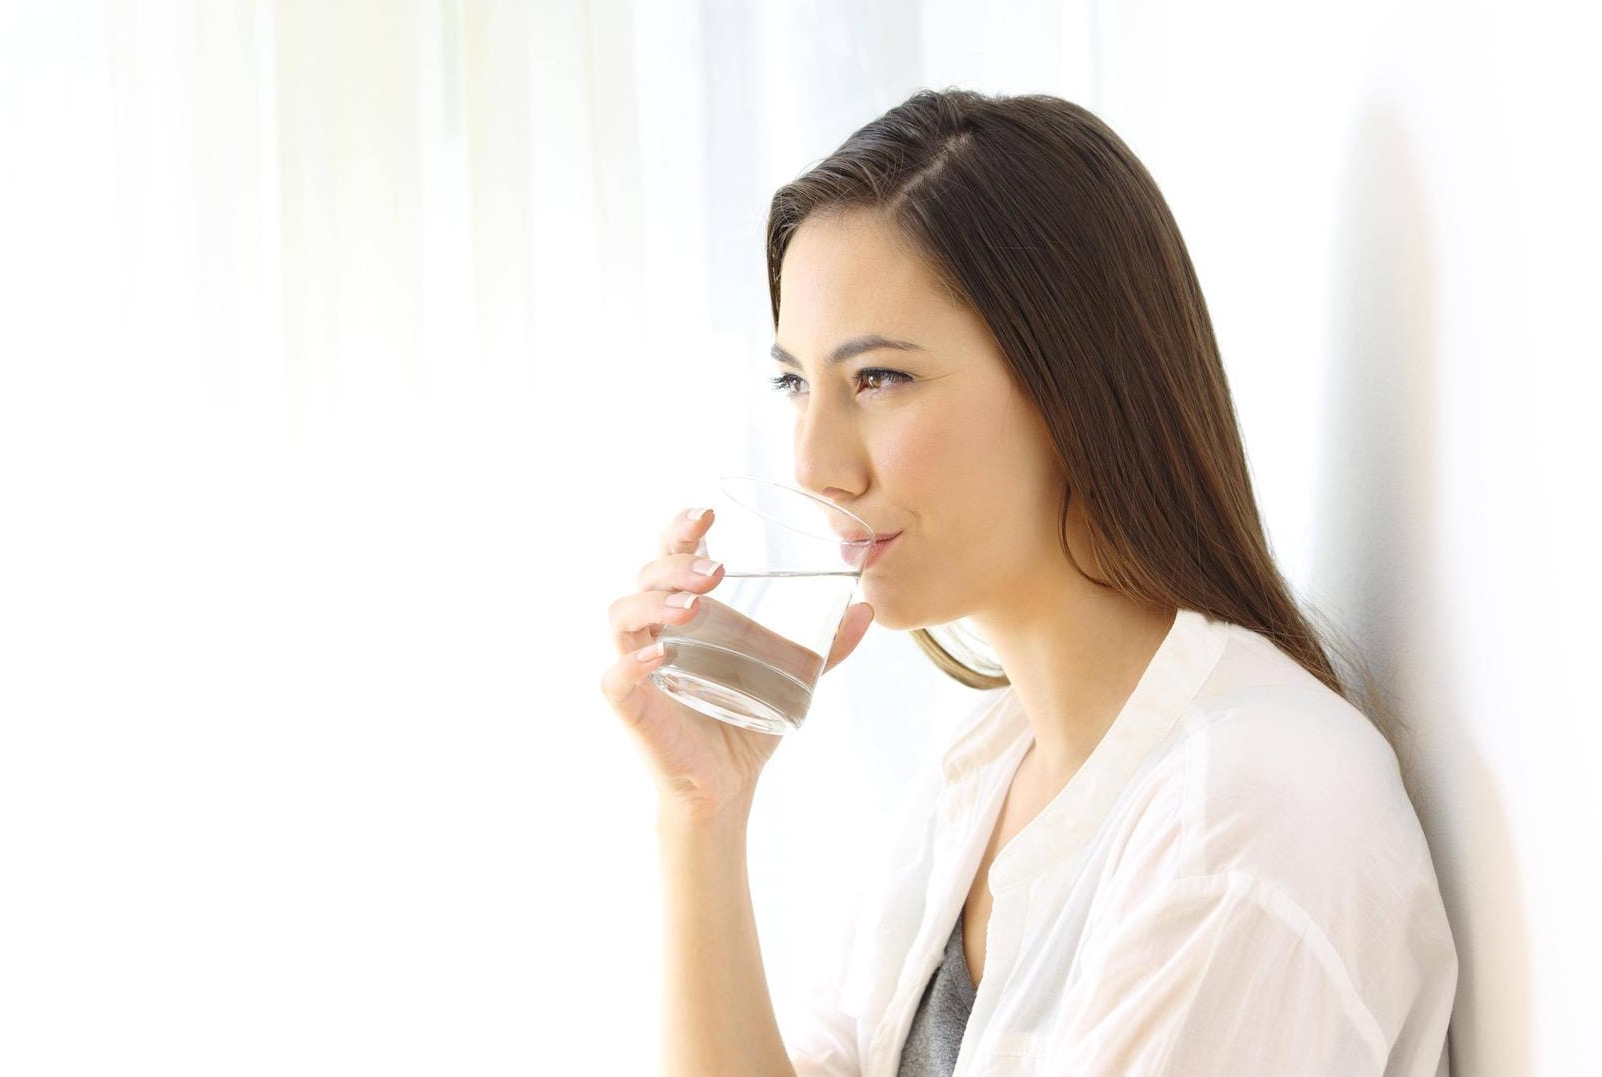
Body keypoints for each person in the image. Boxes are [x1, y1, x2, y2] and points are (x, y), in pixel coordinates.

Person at [599, 89, 1457, 1076]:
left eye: (877, 378)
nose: (814, 464)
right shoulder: (985, 776)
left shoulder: (1245, 823)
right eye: (796, 383)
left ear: (1069, 387)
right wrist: (700, 811)